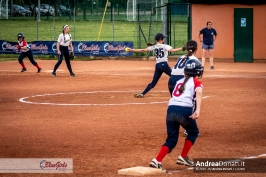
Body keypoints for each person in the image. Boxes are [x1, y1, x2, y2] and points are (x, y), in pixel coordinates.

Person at [149, 58, 204, 169]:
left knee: (171, 139)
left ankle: (157, 160)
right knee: (193, 132)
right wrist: (197, 110)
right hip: (184, 110)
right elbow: (199, 92)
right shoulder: (196, 82)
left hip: (171, 110)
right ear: (197, 72)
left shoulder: (179, 81)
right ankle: (183, 156)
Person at [125, 33, 184, 98]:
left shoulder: (154, 46)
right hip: (164, 65)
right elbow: (173, 51)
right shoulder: (164, 46)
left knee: (153, 82)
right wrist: (182, 48)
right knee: (174, 77)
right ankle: (181, 92)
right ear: (161, 39)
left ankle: (143, 93)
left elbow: (143, 50)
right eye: (163, 38)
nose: (164, 39)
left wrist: (131, 50)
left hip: (158, 65)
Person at [168, 40, 201, 137]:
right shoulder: (195, 60)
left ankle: (176, 123)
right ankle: (188, 128)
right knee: (190, 102)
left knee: (178, 102)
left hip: (171, 80)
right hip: (181, 80)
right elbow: (195, 76)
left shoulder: (181, 57)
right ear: (196, 49)